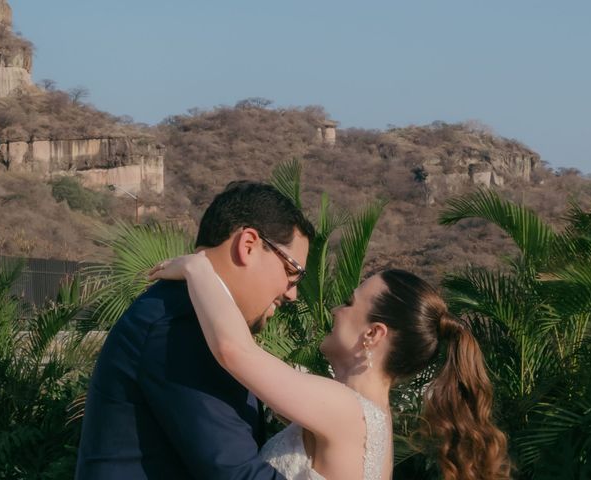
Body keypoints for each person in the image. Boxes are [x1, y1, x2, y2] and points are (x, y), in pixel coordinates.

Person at [149, 255, 511, 480]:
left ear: (372, 333)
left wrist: (200, 269)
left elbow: (233, 351)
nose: (337, 310)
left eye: (350, 302)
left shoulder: (346, 411)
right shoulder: (366, 417)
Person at [75, 181, 315, 479]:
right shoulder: (183, 322)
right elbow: (235, 472)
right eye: (292, 273)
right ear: (248, 246)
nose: (292, 294)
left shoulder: (185, 311)